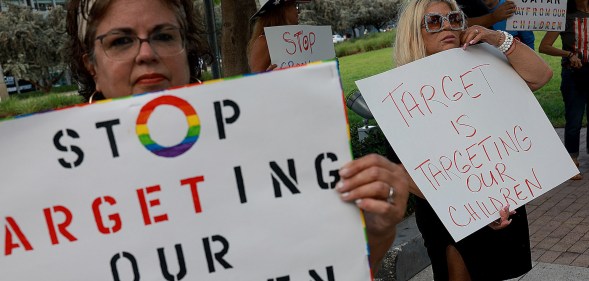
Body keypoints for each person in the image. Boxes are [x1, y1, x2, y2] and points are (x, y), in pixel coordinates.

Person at [65, 0, 409, 273]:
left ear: (187, 49)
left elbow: (328, 265)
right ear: (91, 64)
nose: (146, 53)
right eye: (121, 41)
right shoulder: (60, 189)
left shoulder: (265, 145)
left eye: (164, 35)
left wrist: (376, 232)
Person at [394, 0, 552, 280]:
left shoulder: (486, 60)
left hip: (499, 193)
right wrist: (473, 206)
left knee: (495, 273)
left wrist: (496, 37)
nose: (447, 27)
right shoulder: (399, 90)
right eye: (434, 21)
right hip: (448, 208)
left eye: (454, 18)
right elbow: (404, 173)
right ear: (414, 33)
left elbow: (541, 76)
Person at [539, 0, 589, 181]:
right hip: (574, 74)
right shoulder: (563, 16)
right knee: (574, 119)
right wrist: (568, 54)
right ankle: (572, 161)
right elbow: (544, 46)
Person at [247, 0, 309, 73]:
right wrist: (268, 75)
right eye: (295, 6)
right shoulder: (264, 41)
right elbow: (254, 79)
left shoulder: (297, 41)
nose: (298, 11)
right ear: (282, 11)